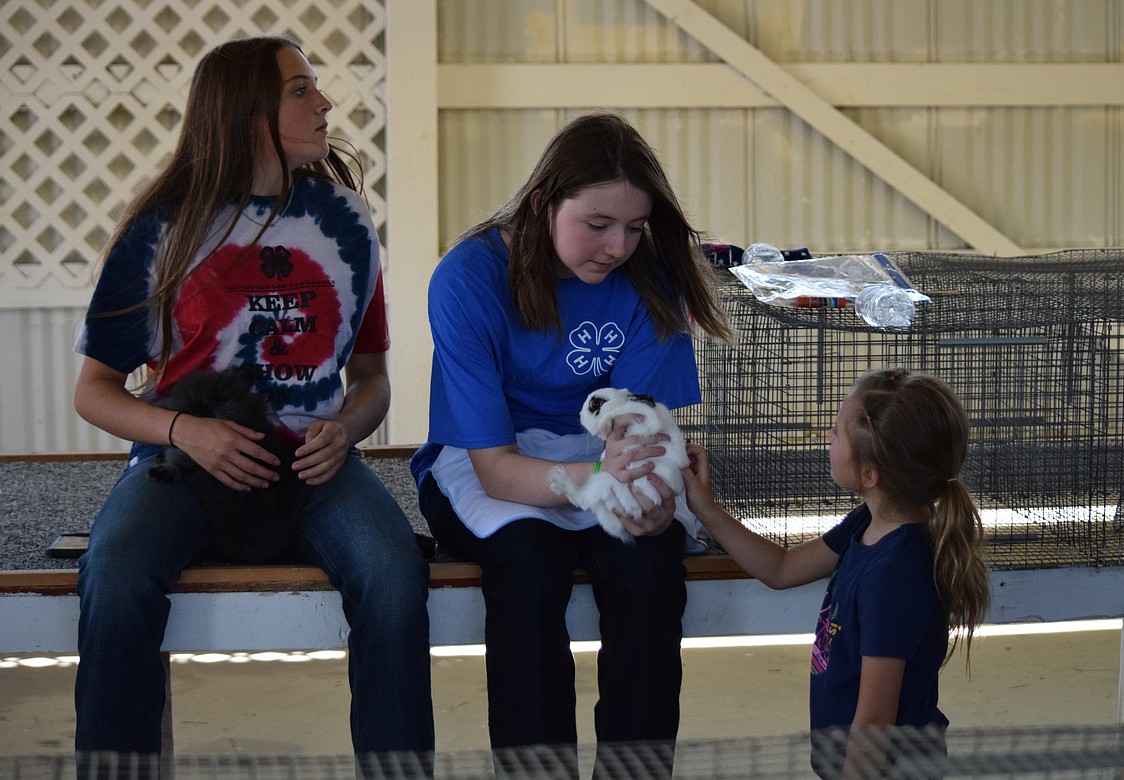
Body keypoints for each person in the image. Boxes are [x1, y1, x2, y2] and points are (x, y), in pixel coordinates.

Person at [72, 36, 434, 768]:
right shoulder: (160, 230)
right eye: (302, 89)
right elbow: (94, 393)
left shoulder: (346, 222)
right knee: (111, 579)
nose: (325, 102)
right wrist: (187, 433)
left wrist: (345, 428)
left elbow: (372, 379)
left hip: (313, 471)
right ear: (246, 113)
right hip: (179, 465)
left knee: (394, 575)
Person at [410, 111, 732, 774]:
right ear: (541, 203)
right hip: (494, 458)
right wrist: (599, 480)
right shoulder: (467, 279)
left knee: (649, 562)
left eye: (634, 228)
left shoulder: (650, 280)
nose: (617, 247)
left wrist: (648, 497)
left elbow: (638, 436)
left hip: (602, 458)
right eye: (597, 225)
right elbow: (496, 471)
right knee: (527, 566)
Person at [682, 367, 990, 779]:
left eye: (836, 432)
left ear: (869, 475)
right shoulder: (866, 524)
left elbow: (875, 722)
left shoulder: (894, 575)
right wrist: (707, 509)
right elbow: (781, 568)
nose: (828, 438)